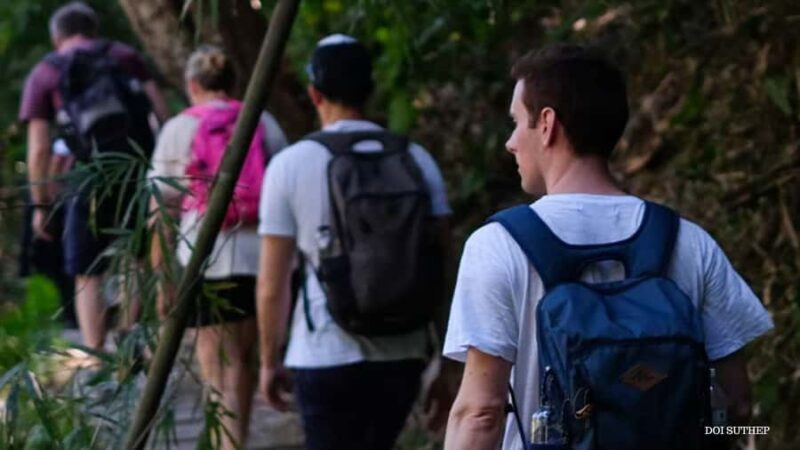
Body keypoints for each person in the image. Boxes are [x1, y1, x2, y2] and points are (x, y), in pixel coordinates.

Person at [442, 44, 774, 449]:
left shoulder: (497, 246)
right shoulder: (689, 242)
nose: (511, 142)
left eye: (516, 123)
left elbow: (481, 413)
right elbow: (738, 405)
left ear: (547, 124)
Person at [256, 34, 458, 450]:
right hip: (404, 351)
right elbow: (446, 269)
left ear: (314, 93)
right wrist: (449, 364)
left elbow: (272, 284)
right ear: (371, 88)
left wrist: (268, 360)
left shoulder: (291, 165)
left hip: (322, 353)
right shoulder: (416, 159)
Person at [148, 45, 288, 450]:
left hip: (203, 258)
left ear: (192, 85)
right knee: (243, 365)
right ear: (234, 83)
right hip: (256, 256)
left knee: (216, 371)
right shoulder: (263, 122)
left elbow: (160, 210)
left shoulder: (178, 128)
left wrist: (162, 279)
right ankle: (236, 444)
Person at [18, 1, 169, 351]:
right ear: (94, 29)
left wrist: (42, 204)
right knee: (136, 258)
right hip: (135, 170)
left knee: (87, 272)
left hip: (85, 178)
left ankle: (97, 355)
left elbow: (39, 149)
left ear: (57, 37)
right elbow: (160, 113)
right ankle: (131, 339)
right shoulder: (123, 54)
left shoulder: (46, 72)